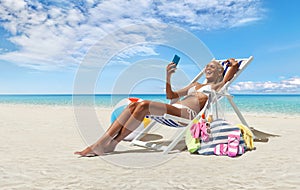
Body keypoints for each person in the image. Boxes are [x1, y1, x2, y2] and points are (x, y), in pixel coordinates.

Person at [74, 58, 240, 156]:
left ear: (219, 72)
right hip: (175, 109)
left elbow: (228, 79)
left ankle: (101, 143)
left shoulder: (216, 87)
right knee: (135, 106)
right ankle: (111, 143)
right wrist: (168, 76)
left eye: (213, 67)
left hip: (186, 115)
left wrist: (232, 65)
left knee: (144, 105)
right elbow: (171, 96)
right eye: (207, 66)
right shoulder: (195, 85)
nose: (208, 68)